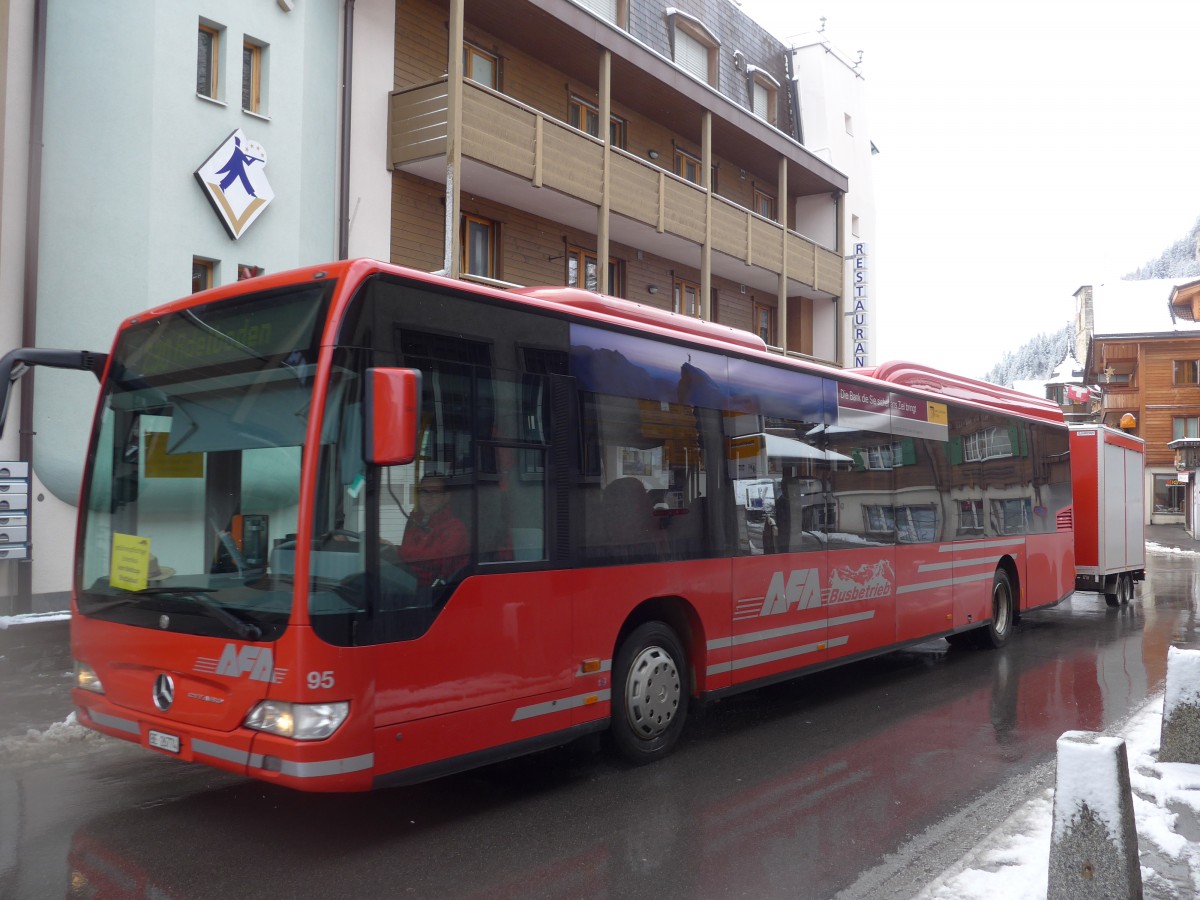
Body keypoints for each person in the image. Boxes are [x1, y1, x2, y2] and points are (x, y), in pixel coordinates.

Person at [398, 475, 469, 585]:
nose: (428, 497)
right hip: (411, 580)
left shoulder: (455, 528)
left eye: (435, 492)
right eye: (424, 492)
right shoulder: (415, 521)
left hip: (437, 591)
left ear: (446, 497)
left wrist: (397, 552)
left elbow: (434, 559)